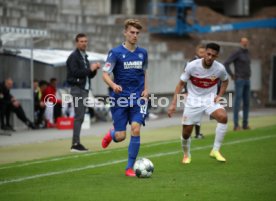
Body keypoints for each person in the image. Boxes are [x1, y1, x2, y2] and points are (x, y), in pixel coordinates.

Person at [101, 19, 149, 177]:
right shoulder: (115, 53)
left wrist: (146, 89)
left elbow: (145, 72)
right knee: (121, 136)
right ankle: (112, 134)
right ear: (125, 33)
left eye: (137, 33)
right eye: (132, 32)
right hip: (120, 98)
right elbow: (105, 74)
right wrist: (113, 85)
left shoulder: (143, 53)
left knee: (136, 128)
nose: (135, 35)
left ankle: (129, 167)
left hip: (138, 98)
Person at [168, 43, 229, 164]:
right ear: (204, 53)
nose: (210, 57)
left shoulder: (220, 68)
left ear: (216, 56)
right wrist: (173, 103)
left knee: (223, 117)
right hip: (193, 100)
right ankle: (186, 154)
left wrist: (219, 96)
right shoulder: (192, 66)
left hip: (210, 99)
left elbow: (225, 81)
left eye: (213, 55)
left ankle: (215, 150)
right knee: (186, 133)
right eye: (208, 54)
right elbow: (180, 84)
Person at [66, 33, 101, 152]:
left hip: (83, 90)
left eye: (85, 41)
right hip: (77, 90)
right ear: (76, 42)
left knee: (80, 117)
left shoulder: (84, 56)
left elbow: (88, 75)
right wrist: (89, 69)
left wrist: (94, 70)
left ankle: (76, 142)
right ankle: (75, 144)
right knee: (79, 117)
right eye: (81, 41)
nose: (84, 43)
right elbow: (75, 73)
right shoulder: (74, 57)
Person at [224, 37, 251, 131]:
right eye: (243, 42)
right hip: (239, 80)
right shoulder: (237, 52)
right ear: (240, 42)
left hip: (247, 80)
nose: (245, 43)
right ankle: (236, 125)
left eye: (246, 42)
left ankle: (245, 124)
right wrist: (232, 75)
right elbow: (226, 63)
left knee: (247, 103)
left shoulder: (247, 53)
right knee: (237, 102)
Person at [184, 44, 206, 139]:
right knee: (191, 113)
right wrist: (186, 91)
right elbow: (185, 77)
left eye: (203, 52)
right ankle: (191, 134)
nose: (202, 54)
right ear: (197, 52)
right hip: (192, 91)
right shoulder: (191, 63)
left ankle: (197, 133)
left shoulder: (205, 63)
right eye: (200, 52)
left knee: (198, 113)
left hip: (200, 91)